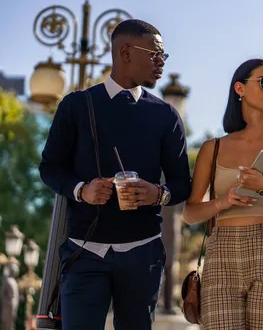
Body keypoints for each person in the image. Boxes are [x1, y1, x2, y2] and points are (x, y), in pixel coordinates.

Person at [38, 19, 192, 330]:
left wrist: (158, 194)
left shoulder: (166, 115)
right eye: (154, 54)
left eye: (163, 56)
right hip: (83, 252)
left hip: (143, 253)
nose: (160, 62)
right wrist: (82, 189)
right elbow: (50, 167)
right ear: (124, 52)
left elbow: (182, 183)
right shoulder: (76, 106)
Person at [182, 58, 263, 330]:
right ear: (239, 88)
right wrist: (224, 201)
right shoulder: (211, 148)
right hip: (221, 250)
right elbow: (190, 213)